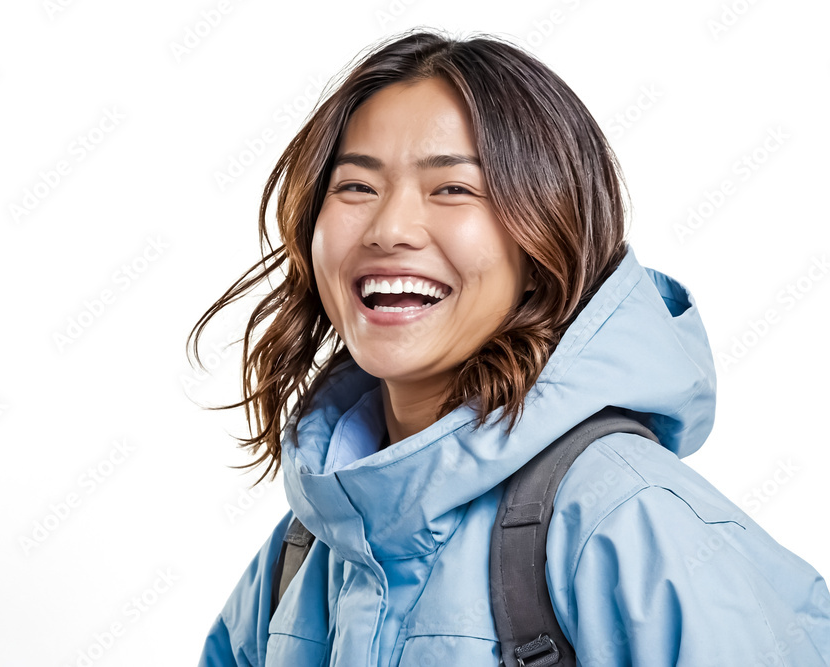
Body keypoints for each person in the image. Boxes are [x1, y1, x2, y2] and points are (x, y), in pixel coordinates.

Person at [190, 28, 830, 666]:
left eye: (453, 188)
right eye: (356, 187)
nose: (389, 229)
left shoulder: (629, 521)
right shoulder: (307, 551)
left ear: (546, 238)